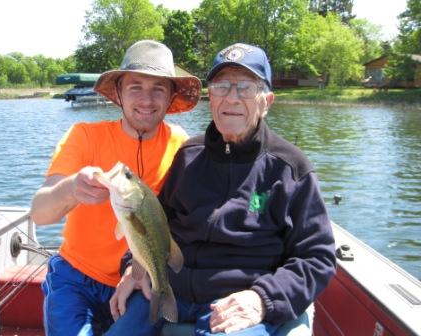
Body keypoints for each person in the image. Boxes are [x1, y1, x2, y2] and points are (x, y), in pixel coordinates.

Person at [105, 43, 336, 336]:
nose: (233, 98)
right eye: (222, 86)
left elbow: (318, 257)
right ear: (210, 97)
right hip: (168, 288)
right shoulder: (188, 155)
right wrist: (132, 269)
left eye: (246, 87)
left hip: (237, 300)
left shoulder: (290, 168)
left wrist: (262, 299)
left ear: (267, 101)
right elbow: (152, 225)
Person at [30, 40, 201, 336]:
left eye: (158, 89)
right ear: (119, 93)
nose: (146, 100)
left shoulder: (181, 147)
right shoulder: (84, 136)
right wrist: (71, 189)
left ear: (171, 97)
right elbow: (40, 214)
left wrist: (140, 272)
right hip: (75, 277)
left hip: (138, 280)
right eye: (135, 87)